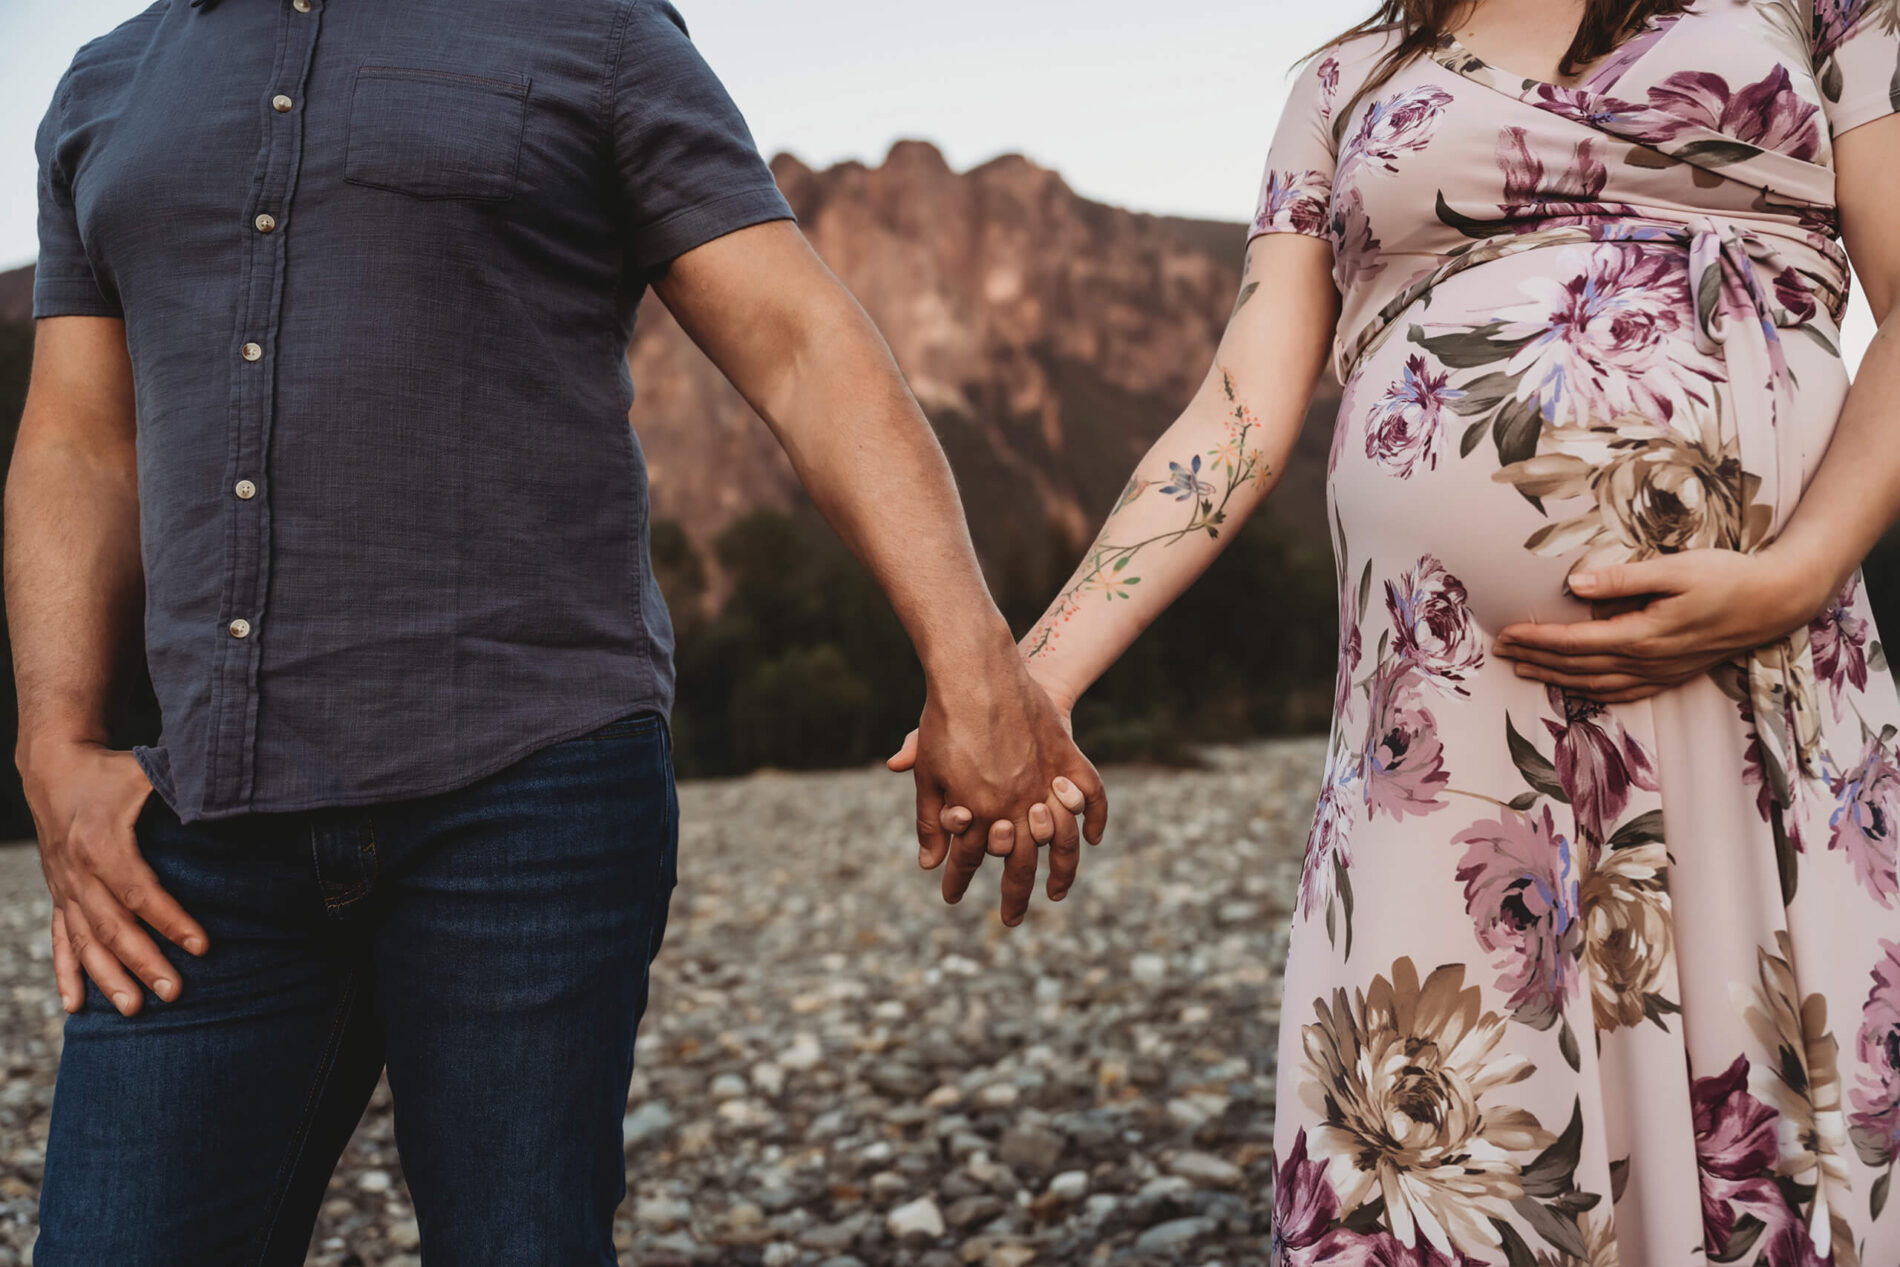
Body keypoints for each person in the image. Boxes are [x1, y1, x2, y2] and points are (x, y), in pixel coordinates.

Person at [13, 0, 1104, 1261]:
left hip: (528, 800)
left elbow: (799, 343)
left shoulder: (588, 27)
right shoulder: (105, 86)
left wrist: (974, 662)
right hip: (199, 822)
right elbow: (79, 438)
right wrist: (53, 741)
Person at [895, 0, 1900, 1260]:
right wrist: (1026, 680)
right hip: (1446, 738)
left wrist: (1800, 571)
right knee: (1444, 1151)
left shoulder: (1817, 8)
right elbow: (1237, 411)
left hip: (1762, 692)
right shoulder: (1343, 83)